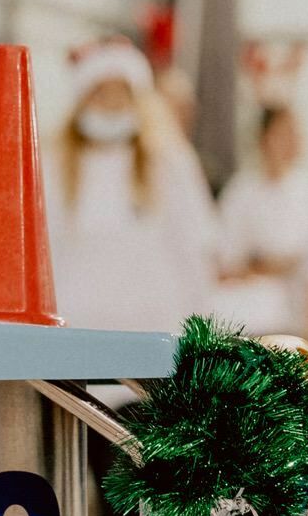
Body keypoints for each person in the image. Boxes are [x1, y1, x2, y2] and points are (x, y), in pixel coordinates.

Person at [48, 36, 214, 333]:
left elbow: (194, 245)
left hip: (153, 326)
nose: (111, 105)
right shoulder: (55, 165)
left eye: (120, 94)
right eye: (101, 94)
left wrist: (201, 323)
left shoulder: (168, 160)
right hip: (77, 326)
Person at [214, 102, 308, 334]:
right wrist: (262, 266)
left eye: (295, 133)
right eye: (284, 133)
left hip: (302, 311)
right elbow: (226, 259)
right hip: (255, 313)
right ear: (264, 138)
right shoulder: (242, 191)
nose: (292, 141)